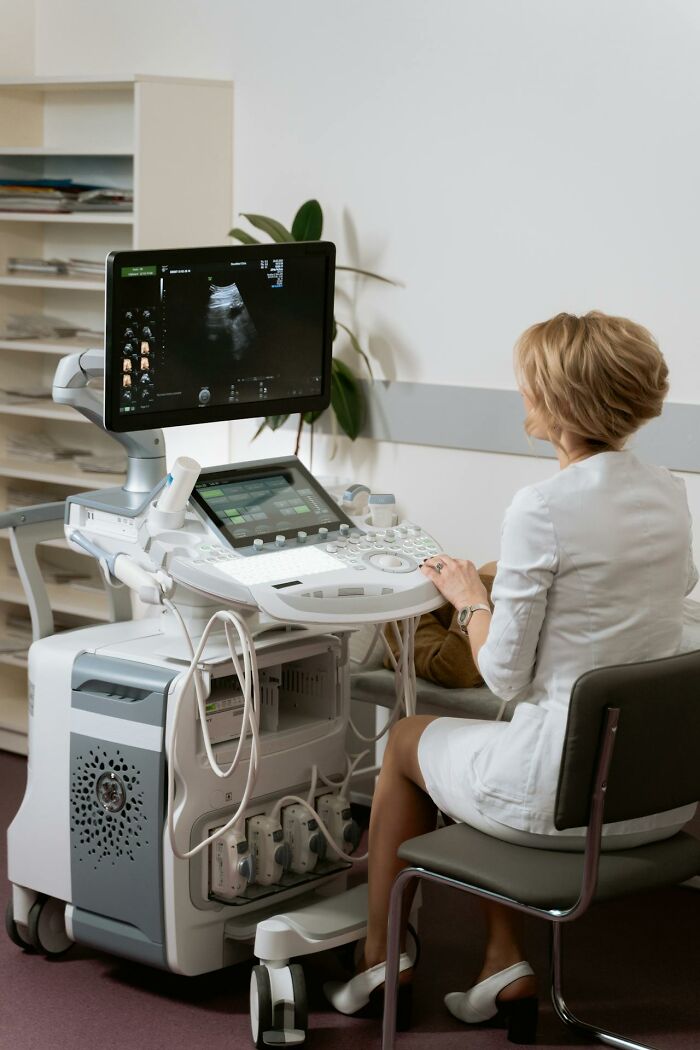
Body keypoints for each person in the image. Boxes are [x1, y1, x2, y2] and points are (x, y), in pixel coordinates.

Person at [324, 311, 698, 1033]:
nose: (519, 394)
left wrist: (470, 599)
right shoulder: (667, 489)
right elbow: (673, 584)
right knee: (490, 743)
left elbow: (501, 674)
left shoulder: (542, 508)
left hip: (558, 800)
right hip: (652, 801)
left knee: (407, 741)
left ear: (558, 404)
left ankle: (380, 957)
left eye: (528, 384)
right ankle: (502, 963)